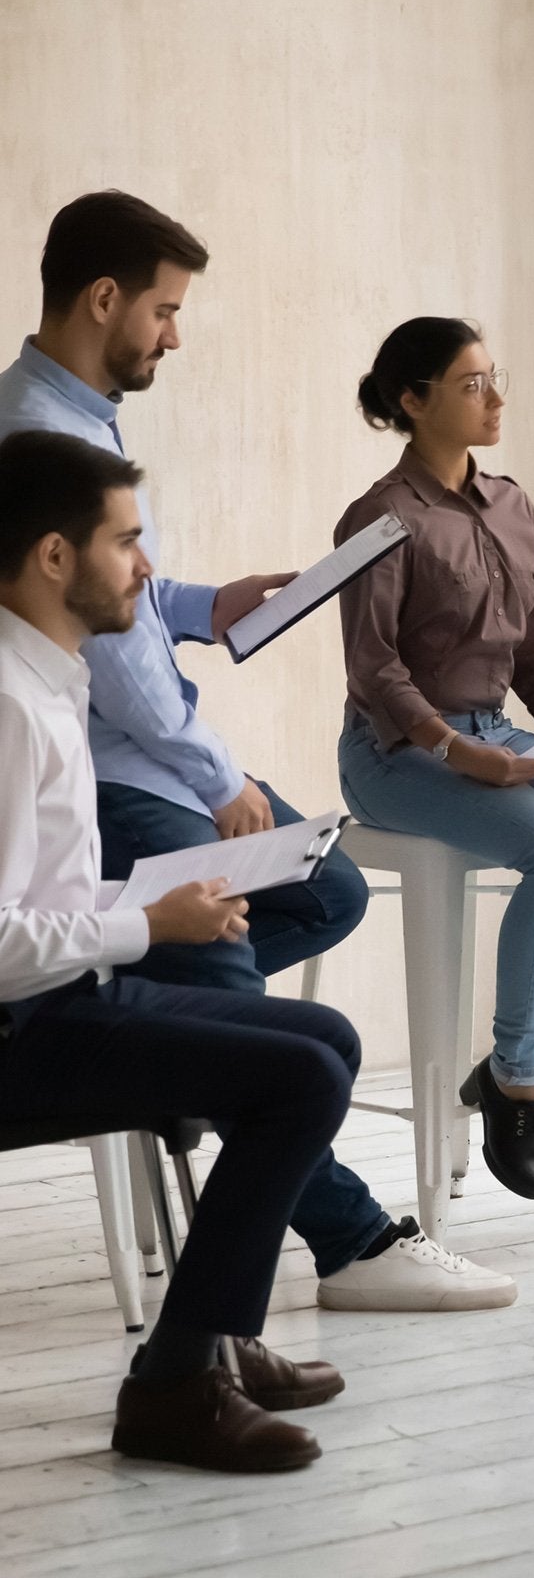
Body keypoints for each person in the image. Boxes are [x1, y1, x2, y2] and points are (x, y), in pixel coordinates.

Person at [0, 191, 513, 1311]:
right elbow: (116, 663)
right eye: (165, 312)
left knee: (323, 887)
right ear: (104, 300)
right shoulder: (40, 428)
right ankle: (351, 1239)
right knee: (228, 963)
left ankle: (144, 1000)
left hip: (136, 758)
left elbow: (123, 595)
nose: (174, 336)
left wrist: (203, 600)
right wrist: (220, 779)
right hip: (117, 772)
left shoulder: (71, 412)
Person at [0, 429, 356, 1471]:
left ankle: (206, 1345)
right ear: (55, 558)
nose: (148, 569)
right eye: (128, 542)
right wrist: (149, 924)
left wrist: (161, 899)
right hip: (29, 1024)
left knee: (324, 1038)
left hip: (69, 995)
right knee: (296, 1075)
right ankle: (174, 1385)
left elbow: (42, 894)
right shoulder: (11, 706)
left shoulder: (48, 679)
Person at [336, 318, 534, 1201]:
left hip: (501, 729)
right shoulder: (380, 518)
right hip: (397, 749)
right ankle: (510, 1082)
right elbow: (374, 672)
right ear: (414, 400)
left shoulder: (512, 505)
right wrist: (456, 750)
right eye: (472, 384)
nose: (495, 398)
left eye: (492, 378)